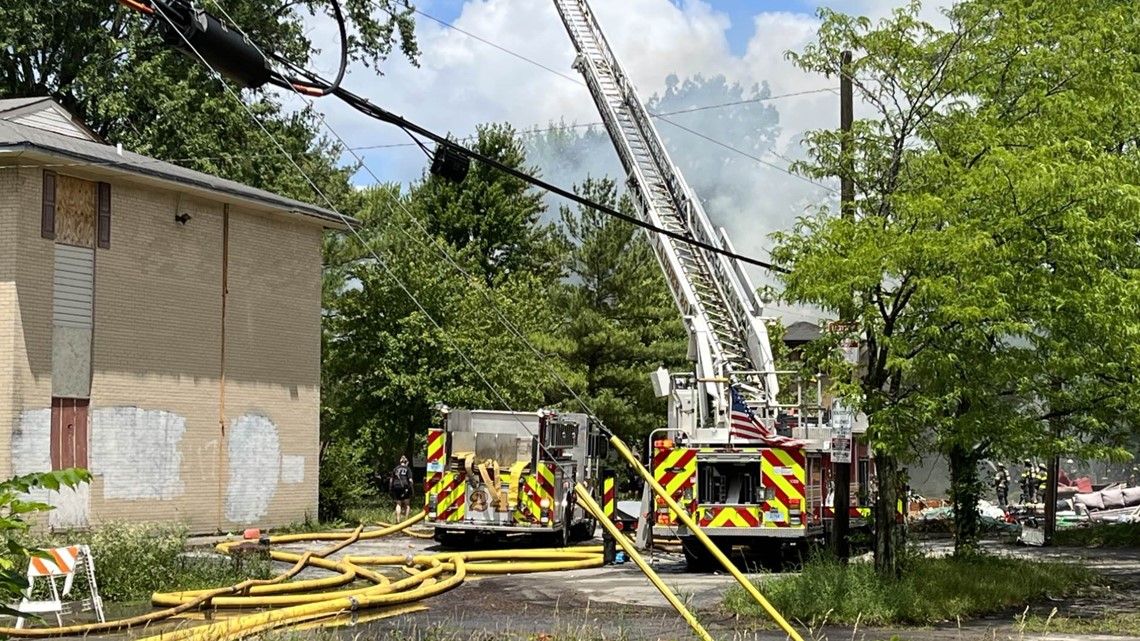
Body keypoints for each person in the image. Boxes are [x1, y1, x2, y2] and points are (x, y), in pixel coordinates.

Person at [389, 455, 414, 521]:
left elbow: (391, 480)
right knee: (407, 504)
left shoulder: (395, 469)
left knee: (398, 504)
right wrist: (411, 489)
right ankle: (406, 520)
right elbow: (410, 480)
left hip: (396, 486)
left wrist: (391, 488)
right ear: (406, 462)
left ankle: (398, 520)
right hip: (405, 486)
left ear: (400, 462)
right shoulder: (408, 469)